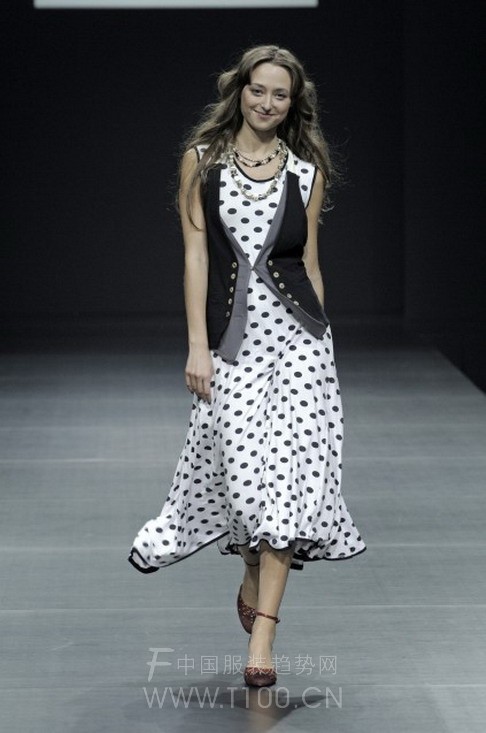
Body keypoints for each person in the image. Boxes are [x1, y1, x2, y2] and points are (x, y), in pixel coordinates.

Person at [128, 44, 366, 688]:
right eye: (258, 89)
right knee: (243, 479)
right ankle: (250, 567)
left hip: (299, 346)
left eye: (280, 94)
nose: (267, 102)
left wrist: (324, 345)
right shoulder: (202, 160)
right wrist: (196, 345)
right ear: (239, 90)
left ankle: (263, 639)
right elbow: (196, 255)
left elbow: (309, 262)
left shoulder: (307, 170)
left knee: (287, 484)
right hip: (233, 346)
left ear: (293, 103)